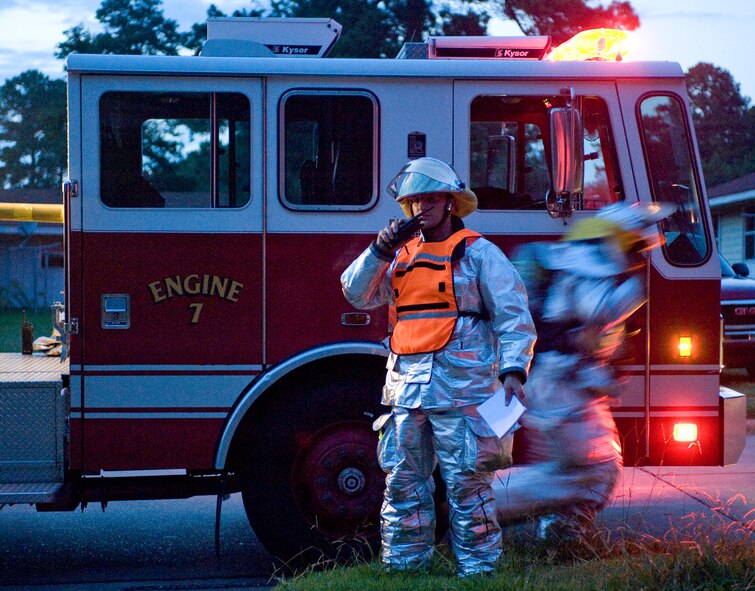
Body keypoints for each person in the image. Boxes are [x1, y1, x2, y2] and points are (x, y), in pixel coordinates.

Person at [340, 157, 537, 577]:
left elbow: (513, 316)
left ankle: (480, 573)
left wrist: (514, 371)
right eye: (412, 202)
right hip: (406, 394)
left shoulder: (481, 253)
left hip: (464, 393)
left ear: (450, 202)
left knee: (468, 484)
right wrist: (379, 250)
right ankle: (405, 571)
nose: (420, 210)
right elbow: (355, 293)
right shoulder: (396, 257)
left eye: (429, 200)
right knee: (402, 486)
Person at [493, 201, 672, 541]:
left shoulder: (571, 263)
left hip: (557, 385)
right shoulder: (593, 269)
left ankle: (564, 533)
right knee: (593, 470)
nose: (640, 257)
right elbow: (594, 328)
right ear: (618, 240)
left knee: (583, 470)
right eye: (637, 246)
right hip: (561, 388)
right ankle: (476, 509)